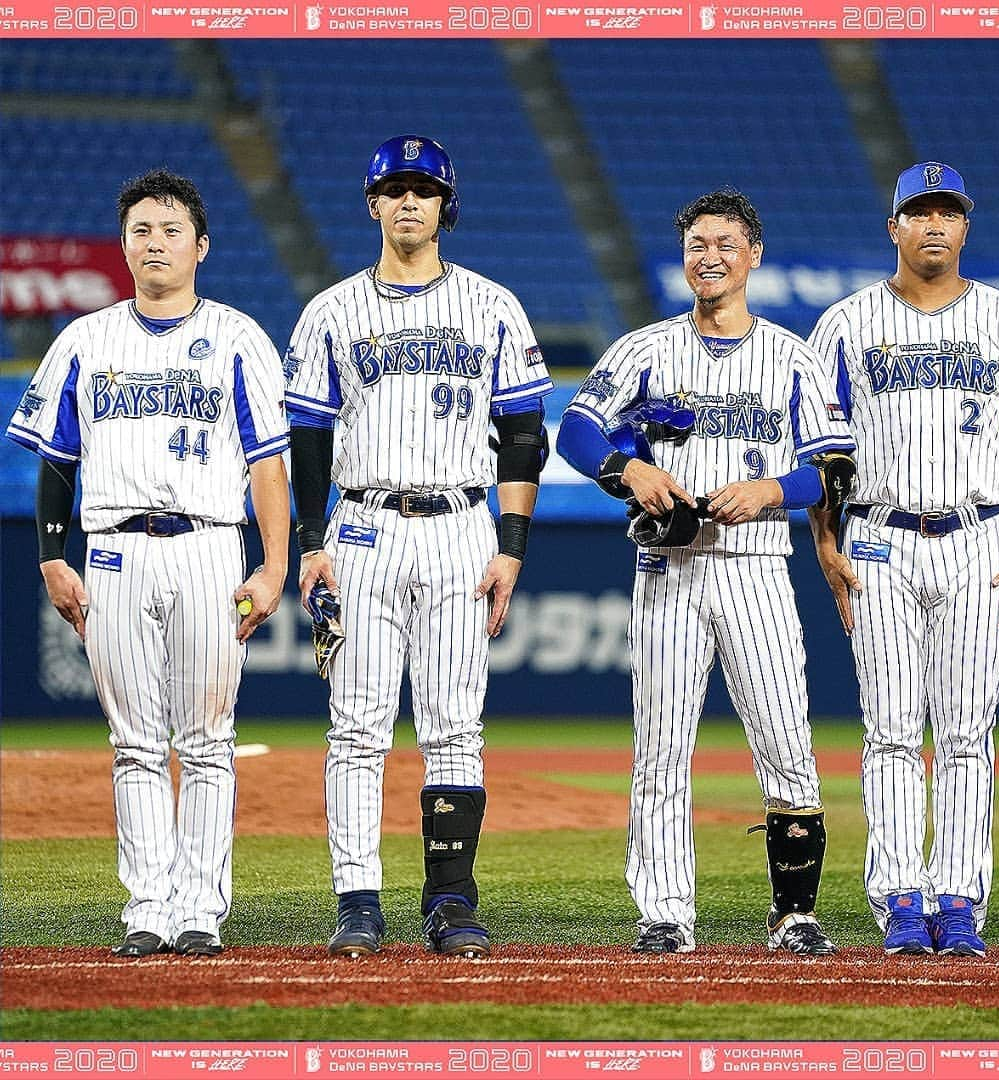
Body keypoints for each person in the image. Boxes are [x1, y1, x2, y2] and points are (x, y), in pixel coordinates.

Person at [557, 189, 855, 955]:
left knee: (786, 739)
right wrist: (627, 468)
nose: (709, 255)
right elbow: (577, 431)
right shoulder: (644, 349)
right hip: (669, 566)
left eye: (725, 242)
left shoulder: (793, 356)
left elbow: (834, 467)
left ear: (753, 254)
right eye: (696, 243)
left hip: (754, 567)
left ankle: (794, 913)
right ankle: (664, 914)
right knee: (660, 748)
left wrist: (771, 490)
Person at [6, 168, 290, 958]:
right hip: (114, 551)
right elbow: (56, 461)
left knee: (205, 737)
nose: (154, 242)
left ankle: (199, 909)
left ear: (200, 246)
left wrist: (273, 565)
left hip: (206, 543)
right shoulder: (85, 340)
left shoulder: (238, 337)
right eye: (140, 230)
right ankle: (147, 907)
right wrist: (51, 558)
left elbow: (269, 465)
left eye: (170, 229)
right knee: (133, 741)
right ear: (124, 247)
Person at [285, 135, 553, 959]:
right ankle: (357, 902)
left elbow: (521, 436)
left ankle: (449, 898)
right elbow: (309, 440)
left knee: (454, 727)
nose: (408, 201)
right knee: (357, 726)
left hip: (461, 528)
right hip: (361, 526)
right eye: (394, 189)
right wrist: (309, 543)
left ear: (446, 206)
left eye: (424, 189)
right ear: (373, 204)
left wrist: (510, 547)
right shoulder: (330, 310)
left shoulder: (494, 305)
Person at [808, 162, 999, 957]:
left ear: (965, 227)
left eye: (947, 213)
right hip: (877, 536)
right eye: (918, 213)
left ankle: (957, 899)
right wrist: (824, 539)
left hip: (978, 536)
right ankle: (901, 897)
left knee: (966, 728)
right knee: (890, 728)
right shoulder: (845, 324)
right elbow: (826, 450)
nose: (933, 225)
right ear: (892, 227)